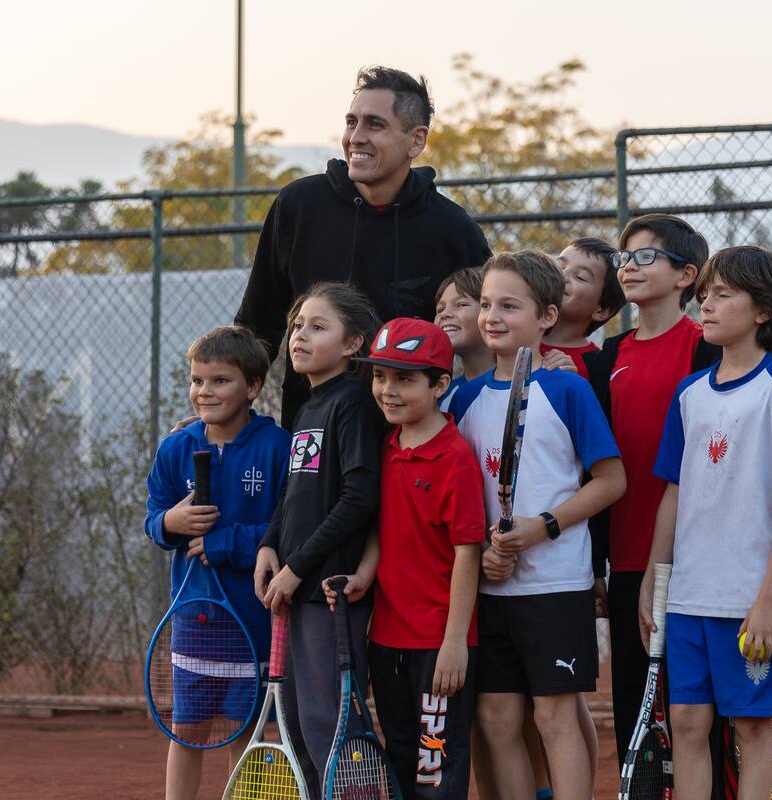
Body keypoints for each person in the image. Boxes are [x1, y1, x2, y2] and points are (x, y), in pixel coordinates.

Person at [641, 245, 772, 800]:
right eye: (704, 297)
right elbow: (673, 492)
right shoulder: (688, 394)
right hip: (689, 598)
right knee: (690, 727)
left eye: (723, 295)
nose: (706, 307)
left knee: (751, 729)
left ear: (762, 310)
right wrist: (654, 575)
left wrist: (767, 599)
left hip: (749, 602)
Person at [451, 251, 625, 800]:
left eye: (509, 305)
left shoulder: (567, 389)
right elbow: (460, 499)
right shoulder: (462, 399)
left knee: (553, 718)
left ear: (547, 316)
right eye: (485, 305)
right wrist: (485, 548)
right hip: (490, 588)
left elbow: (610, 480)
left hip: (556, 586)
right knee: (498, 719)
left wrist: (542, 527)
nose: (492, 316)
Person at [235, 66, 491, 429]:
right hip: (310, 435)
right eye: (351, 122)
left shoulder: (451, 228)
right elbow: (257, 325)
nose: (356, 136)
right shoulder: (298, 205)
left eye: (375, 124)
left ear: (416, 141)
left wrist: (549, 358)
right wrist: (221, 415)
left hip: (408, 442)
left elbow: (493, 324)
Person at [324, 317, 485, 798]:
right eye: (380, 377)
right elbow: (383, 530)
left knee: (435, 766)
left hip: (438, 645)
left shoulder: (455, 457)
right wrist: (363, 576)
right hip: (386, 639)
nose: (388, 390)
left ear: (440, 385)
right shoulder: (388, 445)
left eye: (405, 379)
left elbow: (467, 554)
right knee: (399, 757)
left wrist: (455, 641)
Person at [581, 213, 721, 767]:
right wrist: (596, 563)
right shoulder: (608, 358)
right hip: (629, 560)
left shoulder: (705, 349)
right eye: (624, 259)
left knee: (695, 717)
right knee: (636, 710)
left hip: (695, 561)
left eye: (645, 257)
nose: (629, 268)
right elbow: (594, 468)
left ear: (687, 275)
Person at [143, 326, 292, 800]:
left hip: (254, 619)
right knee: (187, 732)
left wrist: (224, 543)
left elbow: (286, 530)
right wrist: (173, 519)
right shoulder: (176, 448)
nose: (205, 391)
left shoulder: (278, 447)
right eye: (197, 380)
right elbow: (153, 521)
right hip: (193, 616)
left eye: (220, 380)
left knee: (246, 737)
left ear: (252, 388)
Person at [253, 282, 384, 796]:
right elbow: (293, 492)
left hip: (327, 593)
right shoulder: (307, 408)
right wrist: (269, 544)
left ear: (352, 345)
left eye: (318, 326)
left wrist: (296, 567)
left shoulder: (351, 403)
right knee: (298, 724)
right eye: (297, 325)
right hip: (295, 589)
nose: (300, 335)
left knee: (329, 724)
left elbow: (359, 498)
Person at [541, 237, 626, 379]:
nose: (563, 276)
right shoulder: (515, 336)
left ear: (601, 311)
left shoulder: (600, 367)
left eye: (580, 277)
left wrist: (573, 384)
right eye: (559, 266)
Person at [434, 267, 493, 411]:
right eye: (440, 309)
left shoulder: (527, 384)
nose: (445, 314)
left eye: (461, 305)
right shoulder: (441, 396)